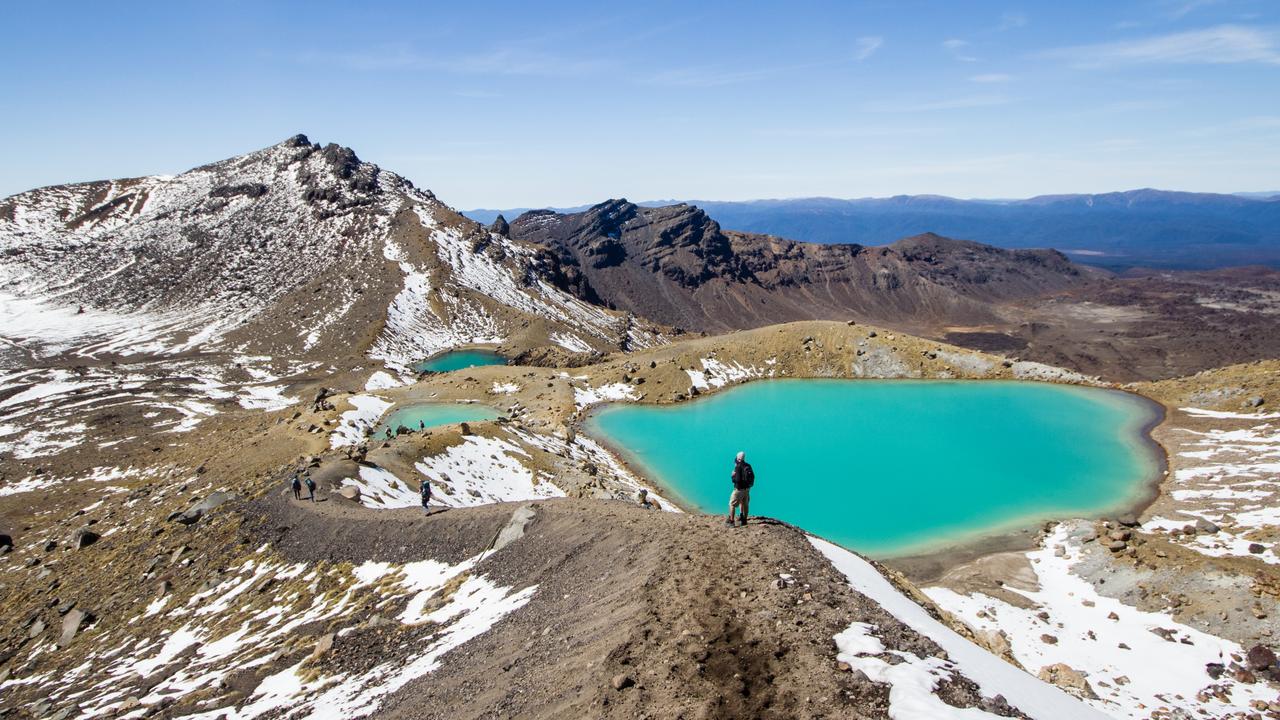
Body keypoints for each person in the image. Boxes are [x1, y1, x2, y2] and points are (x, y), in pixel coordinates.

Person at [726, 451, 754, 527]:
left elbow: (737, 480)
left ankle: (731, 521)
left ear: (738, 459)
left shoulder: (738, 467)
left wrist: (733, 476)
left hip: (739, 489)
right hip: (747, 489)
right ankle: (744, 519)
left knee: (731, 504)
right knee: (745, 504)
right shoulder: (748, 465)